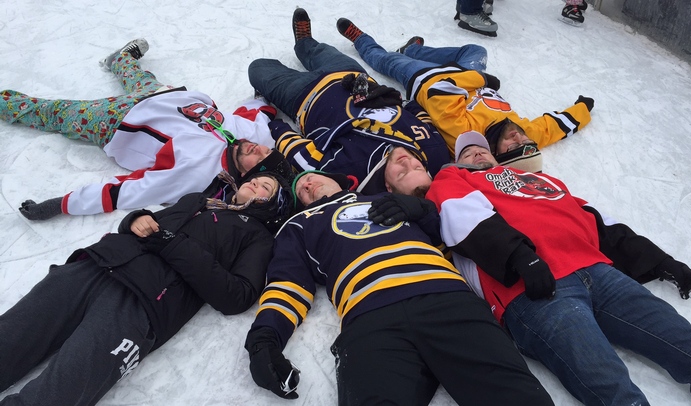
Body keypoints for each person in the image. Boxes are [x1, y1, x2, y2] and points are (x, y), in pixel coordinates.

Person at [423, 131, 691, 405]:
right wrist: (519, 257)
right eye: (467, 152)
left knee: (681, 338)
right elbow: (460, 216)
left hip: (597, 271)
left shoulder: (540, 179)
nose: (476, 152)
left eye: (481, 148)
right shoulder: (452, 178)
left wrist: (661, 261)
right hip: (532, 287)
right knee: (608, 380)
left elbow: (599, 222)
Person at [243, 169, 555, 405]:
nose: (308, 185)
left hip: (446, 299)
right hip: (369, 319)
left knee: (519, 396)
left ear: (339, 180)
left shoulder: (384, 198)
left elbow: (452, 236)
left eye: (311, 178)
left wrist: (423, 211)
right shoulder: (300, 225)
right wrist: (263, 341)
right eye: (302, 190)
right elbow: (288, 284)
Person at [0, 171, 293, 406]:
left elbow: (237, 296)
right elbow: (149, 225)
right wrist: (135, 219)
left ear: (273, 205)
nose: (254, 182)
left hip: (143, 304)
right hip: (96, 266)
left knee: (62, 388)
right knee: (11, 337)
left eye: (265, 186)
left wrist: (174, 245)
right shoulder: (197, 201)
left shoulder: (258, 237)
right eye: (254, 178)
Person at [0, 39, 292, 220]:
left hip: (117, 119)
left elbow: (128, 192)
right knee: (138, 76)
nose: (258, 149)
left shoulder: (195, 173)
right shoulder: (253, 138)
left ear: (245, 176)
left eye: (259, 158)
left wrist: (59, 205)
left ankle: (6, 104)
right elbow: (258, 108)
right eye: (265, 149)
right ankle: (121, 59)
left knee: (55, 113)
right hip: (163, 94)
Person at [248, 8, 452, 196]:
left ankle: (277, 77)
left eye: (401, 173)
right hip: (350, 77)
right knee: (318, 50)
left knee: (258, 68)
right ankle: (304, 42)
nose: (406, 161)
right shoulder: (435, 152)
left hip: (304, 96)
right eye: (417, 167)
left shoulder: (349, 172)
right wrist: (398, 99)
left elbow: (302, 157)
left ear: (388, 187)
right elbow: (422, 116)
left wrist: (275, 126)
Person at [335, 20, 594, 157]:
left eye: (512, 145)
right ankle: (414, 48)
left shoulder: (466, 133)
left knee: (386, 61)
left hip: (426, 78)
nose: (520, 137)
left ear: (495, 152)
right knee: (476, 50)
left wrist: (483, 81)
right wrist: (583, 109)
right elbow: (554, 127)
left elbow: (441, 89)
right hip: (466, 74)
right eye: (526, 141)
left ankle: (362, 40)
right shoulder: (522, 134)